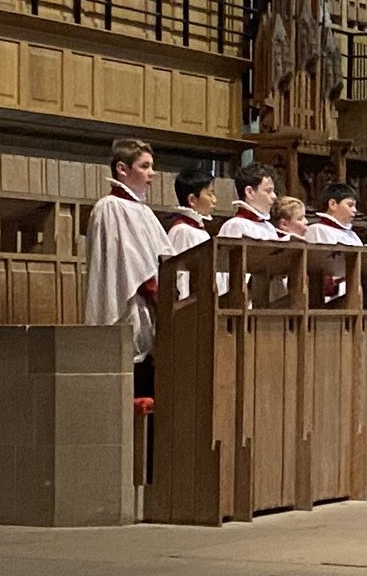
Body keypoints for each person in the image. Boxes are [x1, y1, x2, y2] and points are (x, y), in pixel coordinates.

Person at [83, 138, 174, 397]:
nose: (151, 173)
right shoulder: (111, 207)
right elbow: (132, 266)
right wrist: (160, 295)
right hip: (126, 309)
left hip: (150, 311)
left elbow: (166, 257)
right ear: (122, 169)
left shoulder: (142, 210)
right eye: (144, 166)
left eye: (152, 166)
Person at [168, 168, 217, 299]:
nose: (214, 200)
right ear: (192, 200)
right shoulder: (182, 231)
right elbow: (180, 274)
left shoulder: (197, 230)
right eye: (210, 194)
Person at [217, 164, 281, 240]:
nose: (274, 196)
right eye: (268, 191)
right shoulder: (235, 225)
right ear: (249, 192)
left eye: (273, 191)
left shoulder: (269, 227)